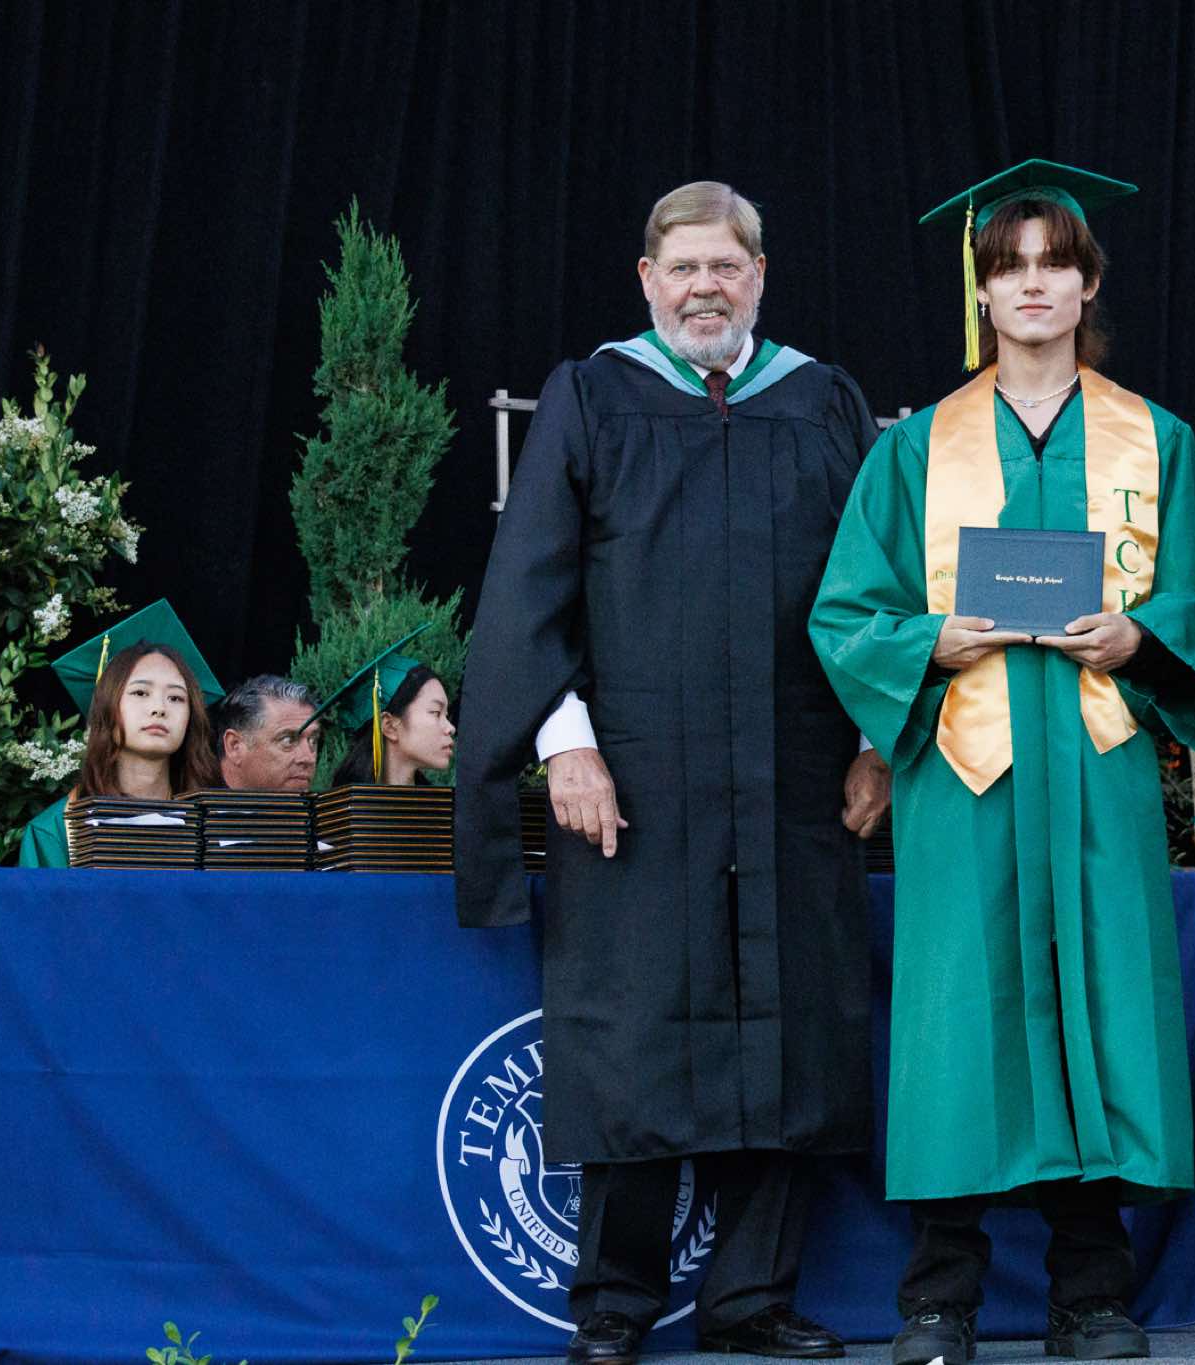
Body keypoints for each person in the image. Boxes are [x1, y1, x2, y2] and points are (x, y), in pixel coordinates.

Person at [455, 180, 883, 1364]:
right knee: (636, 1034)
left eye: (725, 267)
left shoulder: (821, 400)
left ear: (758, 277)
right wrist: (564, 741)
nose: (705, 287)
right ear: (647, 280)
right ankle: (613, 1303)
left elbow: (877, 585)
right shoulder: (596, 394)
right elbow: (530, 584)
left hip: (796, 774)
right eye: (682, 267)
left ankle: (752, 1300)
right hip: (636, 782)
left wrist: (872, 740)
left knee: (788, 1029)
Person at [809, 160, 1195, 1365]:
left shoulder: (1157, 439)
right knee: (959, 1022)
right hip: (965, 773)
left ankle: (1091, 1296)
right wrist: (926, 642)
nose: (1032, 285)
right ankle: (938, 1299)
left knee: (1099, 1014)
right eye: (1009, 268)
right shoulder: (913, 449)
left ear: (1087, 285)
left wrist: (1139, 638)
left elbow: (1194, 601)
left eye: (1054, 264)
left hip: (1094, 772)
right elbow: (847, 611)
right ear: (981, 293)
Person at [17, 599, 226, 867]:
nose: (159, 708)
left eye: (176, 698)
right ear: (105, 708)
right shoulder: (56, 831)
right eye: (140, 692)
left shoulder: (215, 825)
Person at [313, 633, 455, 787]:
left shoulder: (446, 802)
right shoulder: (349, 802)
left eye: (446, 716)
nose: (451, 728)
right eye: (436, 713)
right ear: (389, 726)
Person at [215, 675, 322, 791]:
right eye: (288, 740)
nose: (308, 758)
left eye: (313, 741)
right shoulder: (200, 800)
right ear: (235, 746)